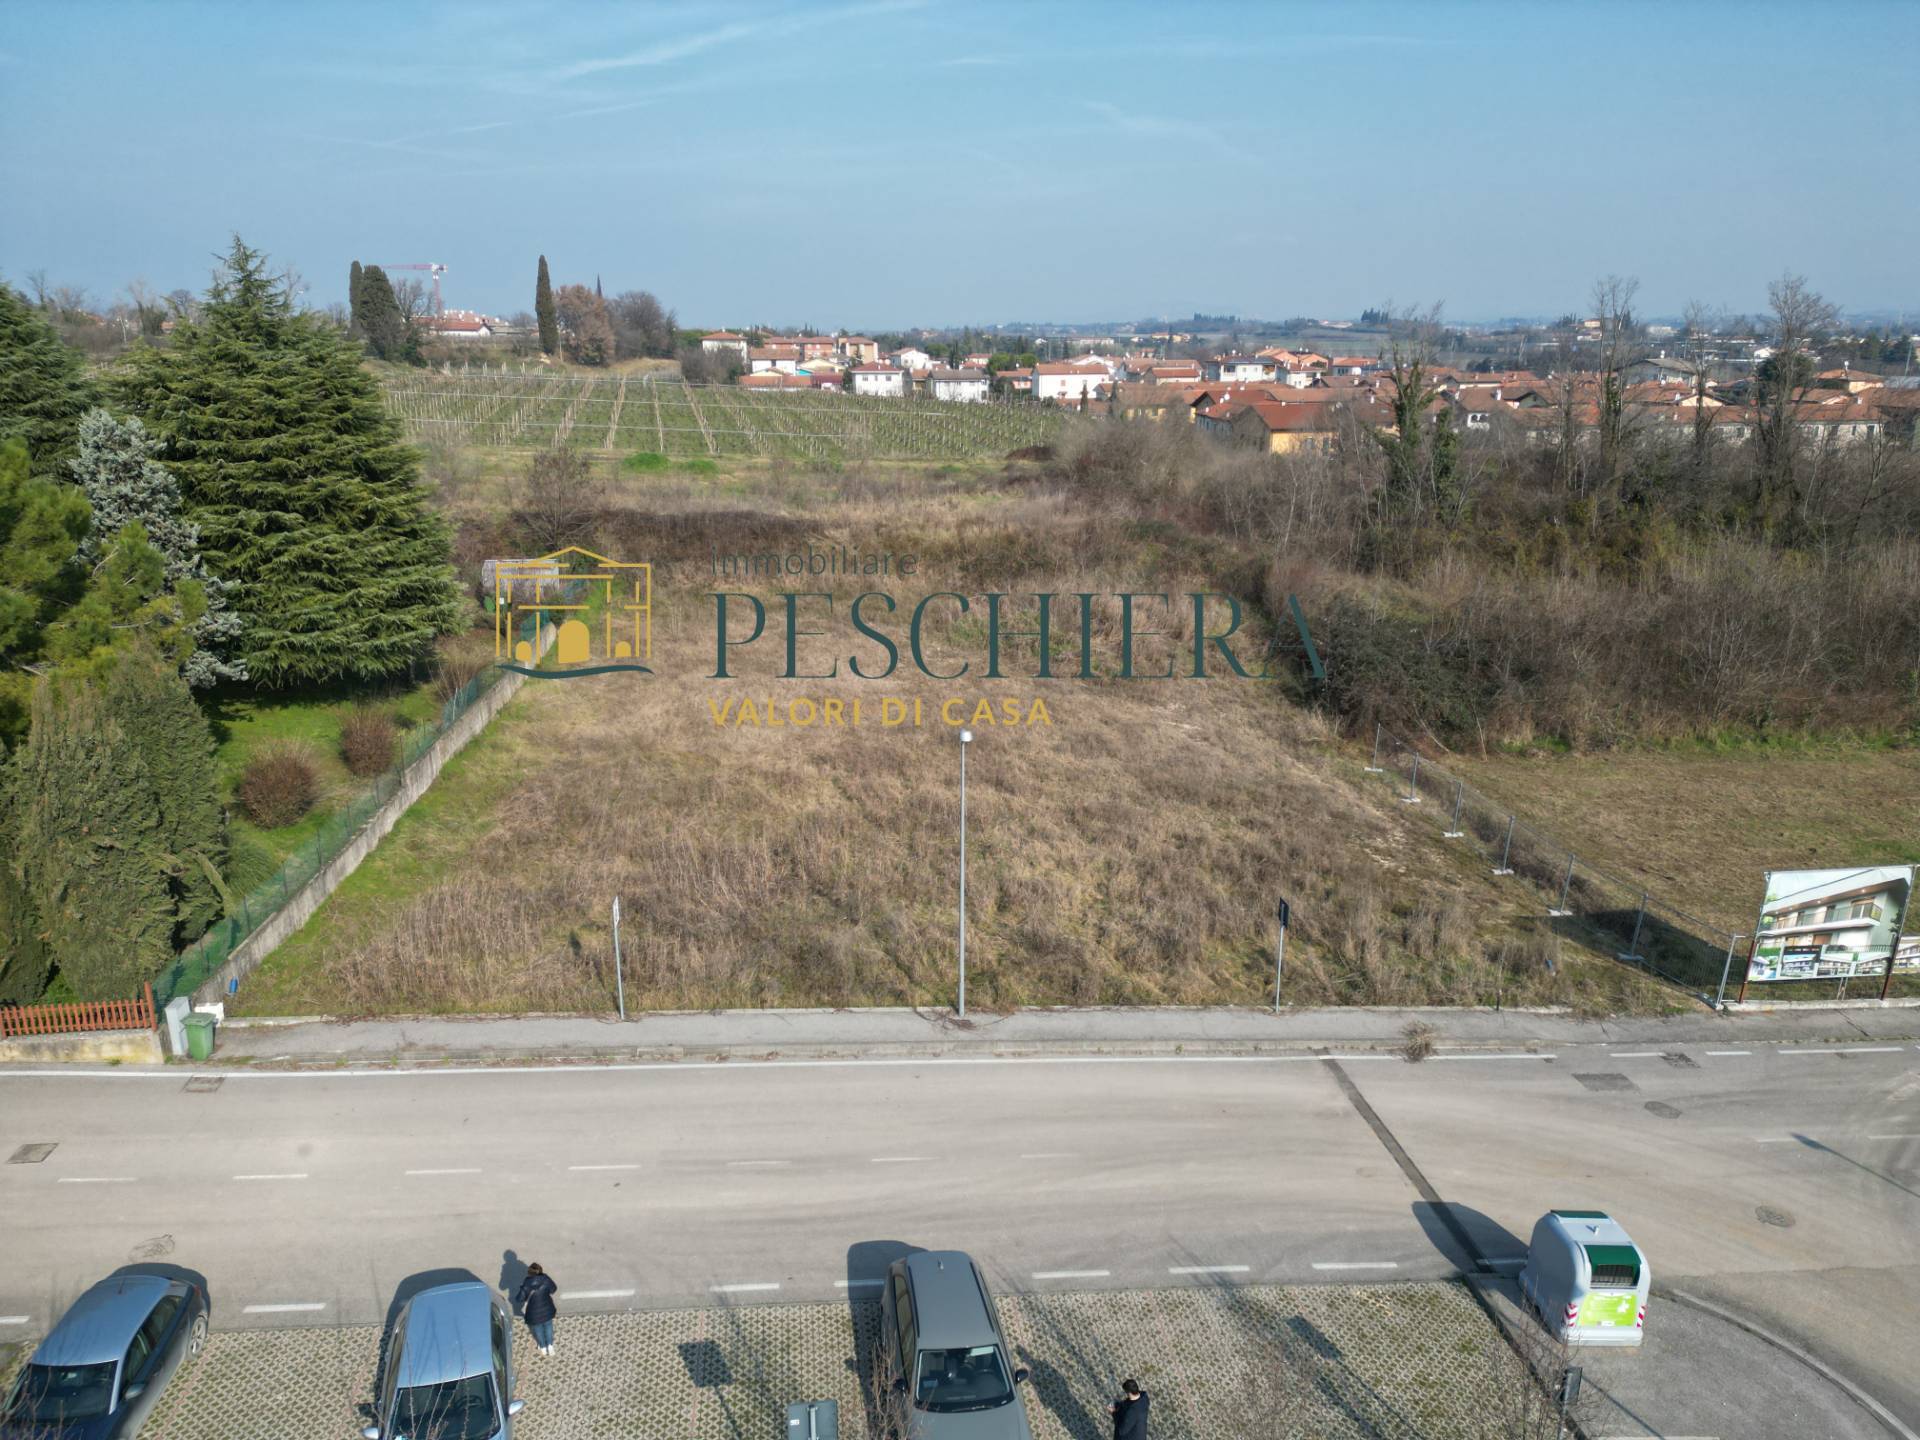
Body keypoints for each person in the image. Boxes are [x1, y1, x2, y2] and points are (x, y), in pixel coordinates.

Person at [514, 1262, 558, 1355]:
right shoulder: (546, 1279)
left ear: (530, 1273)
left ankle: (542, 1347)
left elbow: (519, 1299)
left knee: (538, 1330)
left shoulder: (526, 1283)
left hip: (533, 1314)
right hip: (547, 1310)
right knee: (548, 1327)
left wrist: (522, 1288)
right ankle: (550, 1346)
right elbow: (553, 1289)